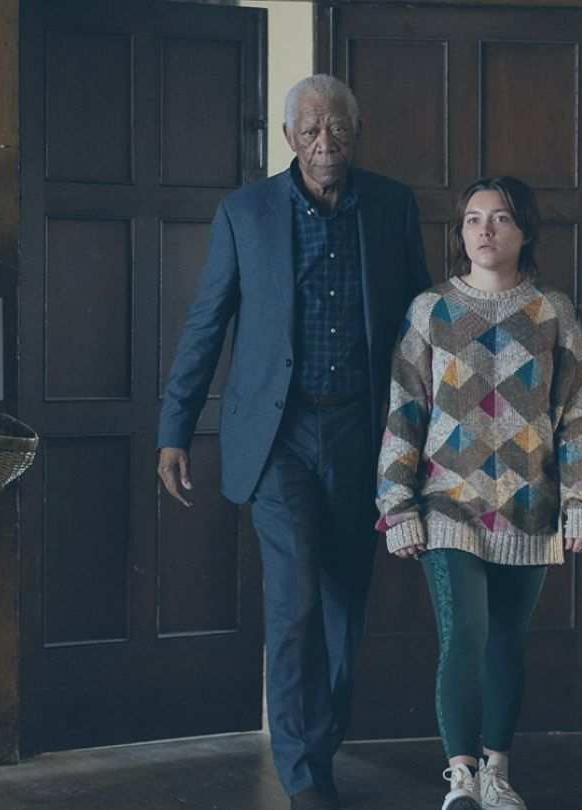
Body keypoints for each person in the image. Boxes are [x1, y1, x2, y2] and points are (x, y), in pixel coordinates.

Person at [157, 74, 432, 810]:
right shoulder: (244, 212)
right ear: (287, 139)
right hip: (277, 438)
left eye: (336, 128)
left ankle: (323, 732)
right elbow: (206, 323)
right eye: (309, 131)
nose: (324, 143)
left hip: (364, 433)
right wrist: (174, 428)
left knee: (346, 612)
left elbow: (421, 327)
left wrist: (436, 431)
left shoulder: (393, 205)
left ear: (356, 131)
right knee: (297, 602)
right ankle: (305, 775)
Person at [375, 176, 582, 810]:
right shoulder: (431, 310)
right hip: (447, 503)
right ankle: (462, 779)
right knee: (467, 637)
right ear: (460, 234)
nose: (484, 230)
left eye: (501, 219)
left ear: (525, 231)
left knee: (508, 641)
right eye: (473, 219)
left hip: (531, 507)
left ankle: (498, 773)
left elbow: (580, 413)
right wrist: (396, 505)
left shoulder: (554, 312)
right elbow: (405, 409)